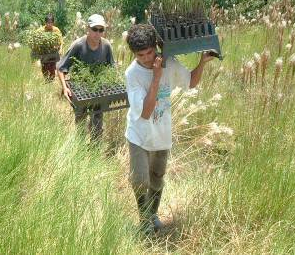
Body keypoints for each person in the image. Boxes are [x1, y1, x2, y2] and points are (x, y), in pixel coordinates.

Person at [124, 24, 215, 234]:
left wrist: (202, 62)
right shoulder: (133, 74)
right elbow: (146, 113)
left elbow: (191, 82)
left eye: (150, 52)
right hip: (139, 135)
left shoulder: (170, 63)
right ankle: (144, 219)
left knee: (157, 178)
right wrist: (156, 76)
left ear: (156, 46)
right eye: (141, 55)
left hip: (161, 134)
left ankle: (152, 214)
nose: (147, 58)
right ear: (134, 54)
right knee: (140, 180)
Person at [57, 14, 114, 142]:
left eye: (101, 30)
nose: (97, 33)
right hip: (79, 90)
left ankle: (94, 151)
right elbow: (61, 67)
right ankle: (80, 149)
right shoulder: (78, 45)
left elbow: (112, 67)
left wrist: (110, 84)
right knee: (81, 121)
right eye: (95, 29)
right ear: (88, 29)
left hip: (98, 90)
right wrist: (65, 88)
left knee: (97, 123)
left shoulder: (106, 46)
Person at [38, 14, 63, 81]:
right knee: (44, 66)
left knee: (52, 66)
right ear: (45, 23)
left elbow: (60, 40)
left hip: (53, 51)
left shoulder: (56, 30)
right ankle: (46, 80)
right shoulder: (41, 30)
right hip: (44, 52)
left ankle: (51, 80)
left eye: (51, 23)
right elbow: (36, 39)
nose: (49, 24)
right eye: (48, 23)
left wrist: (60, 49)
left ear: (53, 23)